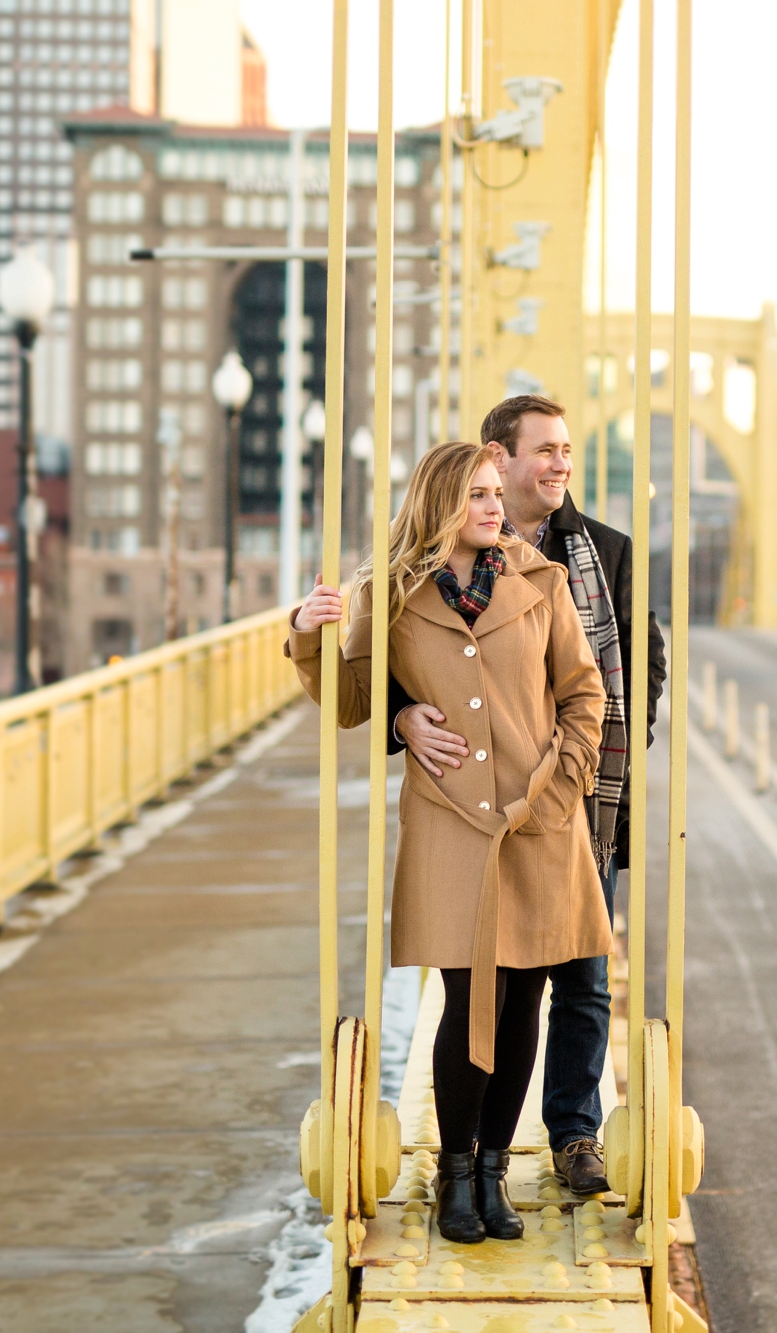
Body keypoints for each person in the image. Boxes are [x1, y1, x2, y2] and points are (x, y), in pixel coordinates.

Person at [287, 440, 607, 1245]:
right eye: (477, 495)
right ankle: (454, 1174)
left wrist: (563, 784)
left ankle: (495, 1170)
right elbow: (353, 701)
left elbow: (583, 689)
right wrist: (308, 634)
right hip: (452, 822)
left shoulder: (541, 580)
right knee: (472, 998)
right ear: (439, 504)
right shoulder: (389, 594)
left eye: (498, 493)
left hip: (539, 822)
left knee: (526, 998)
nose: (495, 508)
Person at [388, 394, 666, 1197]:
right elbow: (375, 683)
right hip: (473, 816)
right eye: (543, 449)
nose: (560, 464)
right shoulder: (419, 581)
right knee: (486, 991)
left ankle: (571, 1131)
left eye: (567, 450)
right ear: (496, 459)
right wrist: (406, 718)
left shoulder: (600, 553)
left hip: (577, 801)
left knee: (576, 978)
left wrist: (580, 770)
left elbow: (626, 675)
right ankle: (466, 1166)